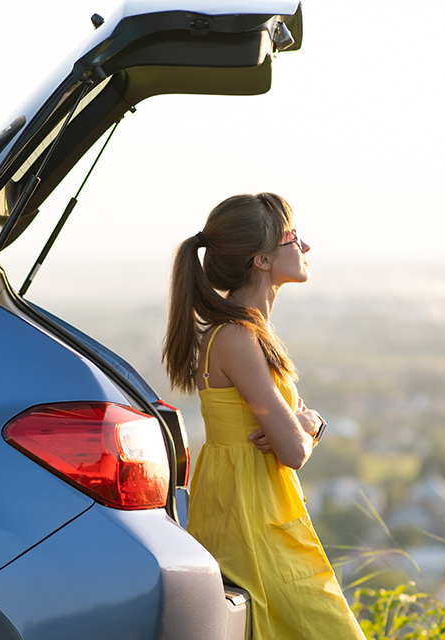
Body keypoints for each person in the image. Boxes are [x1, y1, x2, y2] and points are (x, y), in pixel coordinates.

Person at [163, 193, 364, 639]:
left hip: (251, 512)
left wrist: (298, 427)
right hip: (254, 523)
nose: (305, 247)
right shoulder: (238, 337)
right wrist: (310, 425)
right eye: (293, 237)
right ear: (261, 259)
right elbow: (292, 449)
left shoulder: (243, 332)